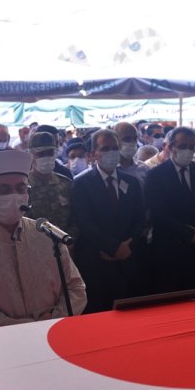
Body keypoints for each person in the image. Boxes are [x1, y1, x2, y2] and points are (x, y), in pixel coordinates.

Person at [0, 149, 86, 330]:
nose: (14, 194)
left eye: (21, 188)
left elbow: (76, 289)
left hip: (55, 337)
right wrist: (33, 328)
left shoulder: (46, 233)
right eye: (3, 189)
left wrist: (53, 322)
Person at [70, 129, 145, 312]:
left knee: (128, 312)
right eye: (105, 148)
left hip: (126, 258)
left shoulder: (131, 182)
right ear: (93, 154)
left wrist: (127, 245)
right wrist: (112, 247)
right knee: (99, 313)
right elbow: (85, 222)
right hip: (96, 260)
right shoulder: (81, 183)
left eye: (114, 148)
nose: (111, 153)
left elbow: (140, 217)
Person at [144, 126, 195, 292]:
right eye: (182, 146)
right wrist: (189, 234)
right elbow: (158, 214)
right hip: (170, 251)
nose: (187, 151)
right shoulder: (155, 175)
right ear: (171, 147)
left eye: (191, 147)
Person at [26, 131, 74, 235]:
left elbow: (76, 218)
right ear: (31, 156)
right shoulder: (22, 186)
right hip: (33, 246)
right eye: (41, 154)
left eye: (50, 153)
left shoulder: (66, 184)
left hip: (65, 244)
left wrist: (69, 241)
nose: (46, 157)